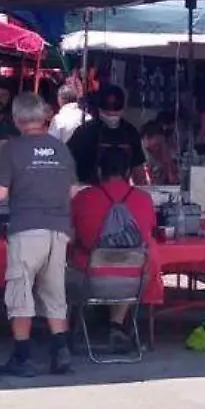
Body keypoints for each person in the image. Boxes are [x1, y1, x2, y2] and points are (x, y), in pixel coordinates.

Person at [0, 93, 79, 377]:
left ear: (16, 119)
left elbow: (0, 194)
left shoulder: (13, 149)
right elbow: (72, 191)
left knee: (20, 292)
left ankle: (22, 357)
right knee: (54, 293)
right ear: (44, 118)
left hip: (27, 228)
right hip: (59, 230)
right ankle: (61, 354)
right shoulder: (61, 149)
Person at [71, 147, 158, 353]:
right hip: (134, 280)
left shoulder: (84, 198)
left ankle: (66, 328)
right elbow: (150, 232)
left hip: (90, 279)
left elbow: (71, 235)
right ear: (128, 173)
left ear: (100, 172)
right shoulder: (144, 199)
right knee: (128, 263)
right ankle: (116, 324)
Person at [68, 85, 144, 185]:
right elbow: (68, 163)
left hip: (121, 193)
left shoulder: (130, 133)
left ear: (122, 110)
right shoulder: (84, 132)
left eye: (115, 113)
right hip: (88, 191)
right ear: (99, 109)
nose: (111, 115)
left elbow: (138, 169)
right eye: (107, 113)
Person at [137, 121, 179, 187]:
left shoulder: (176, 158)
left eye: (150, 137)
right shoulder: (144, 161)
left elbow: (173, 180)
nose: (147, 143)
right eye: (143, 139)